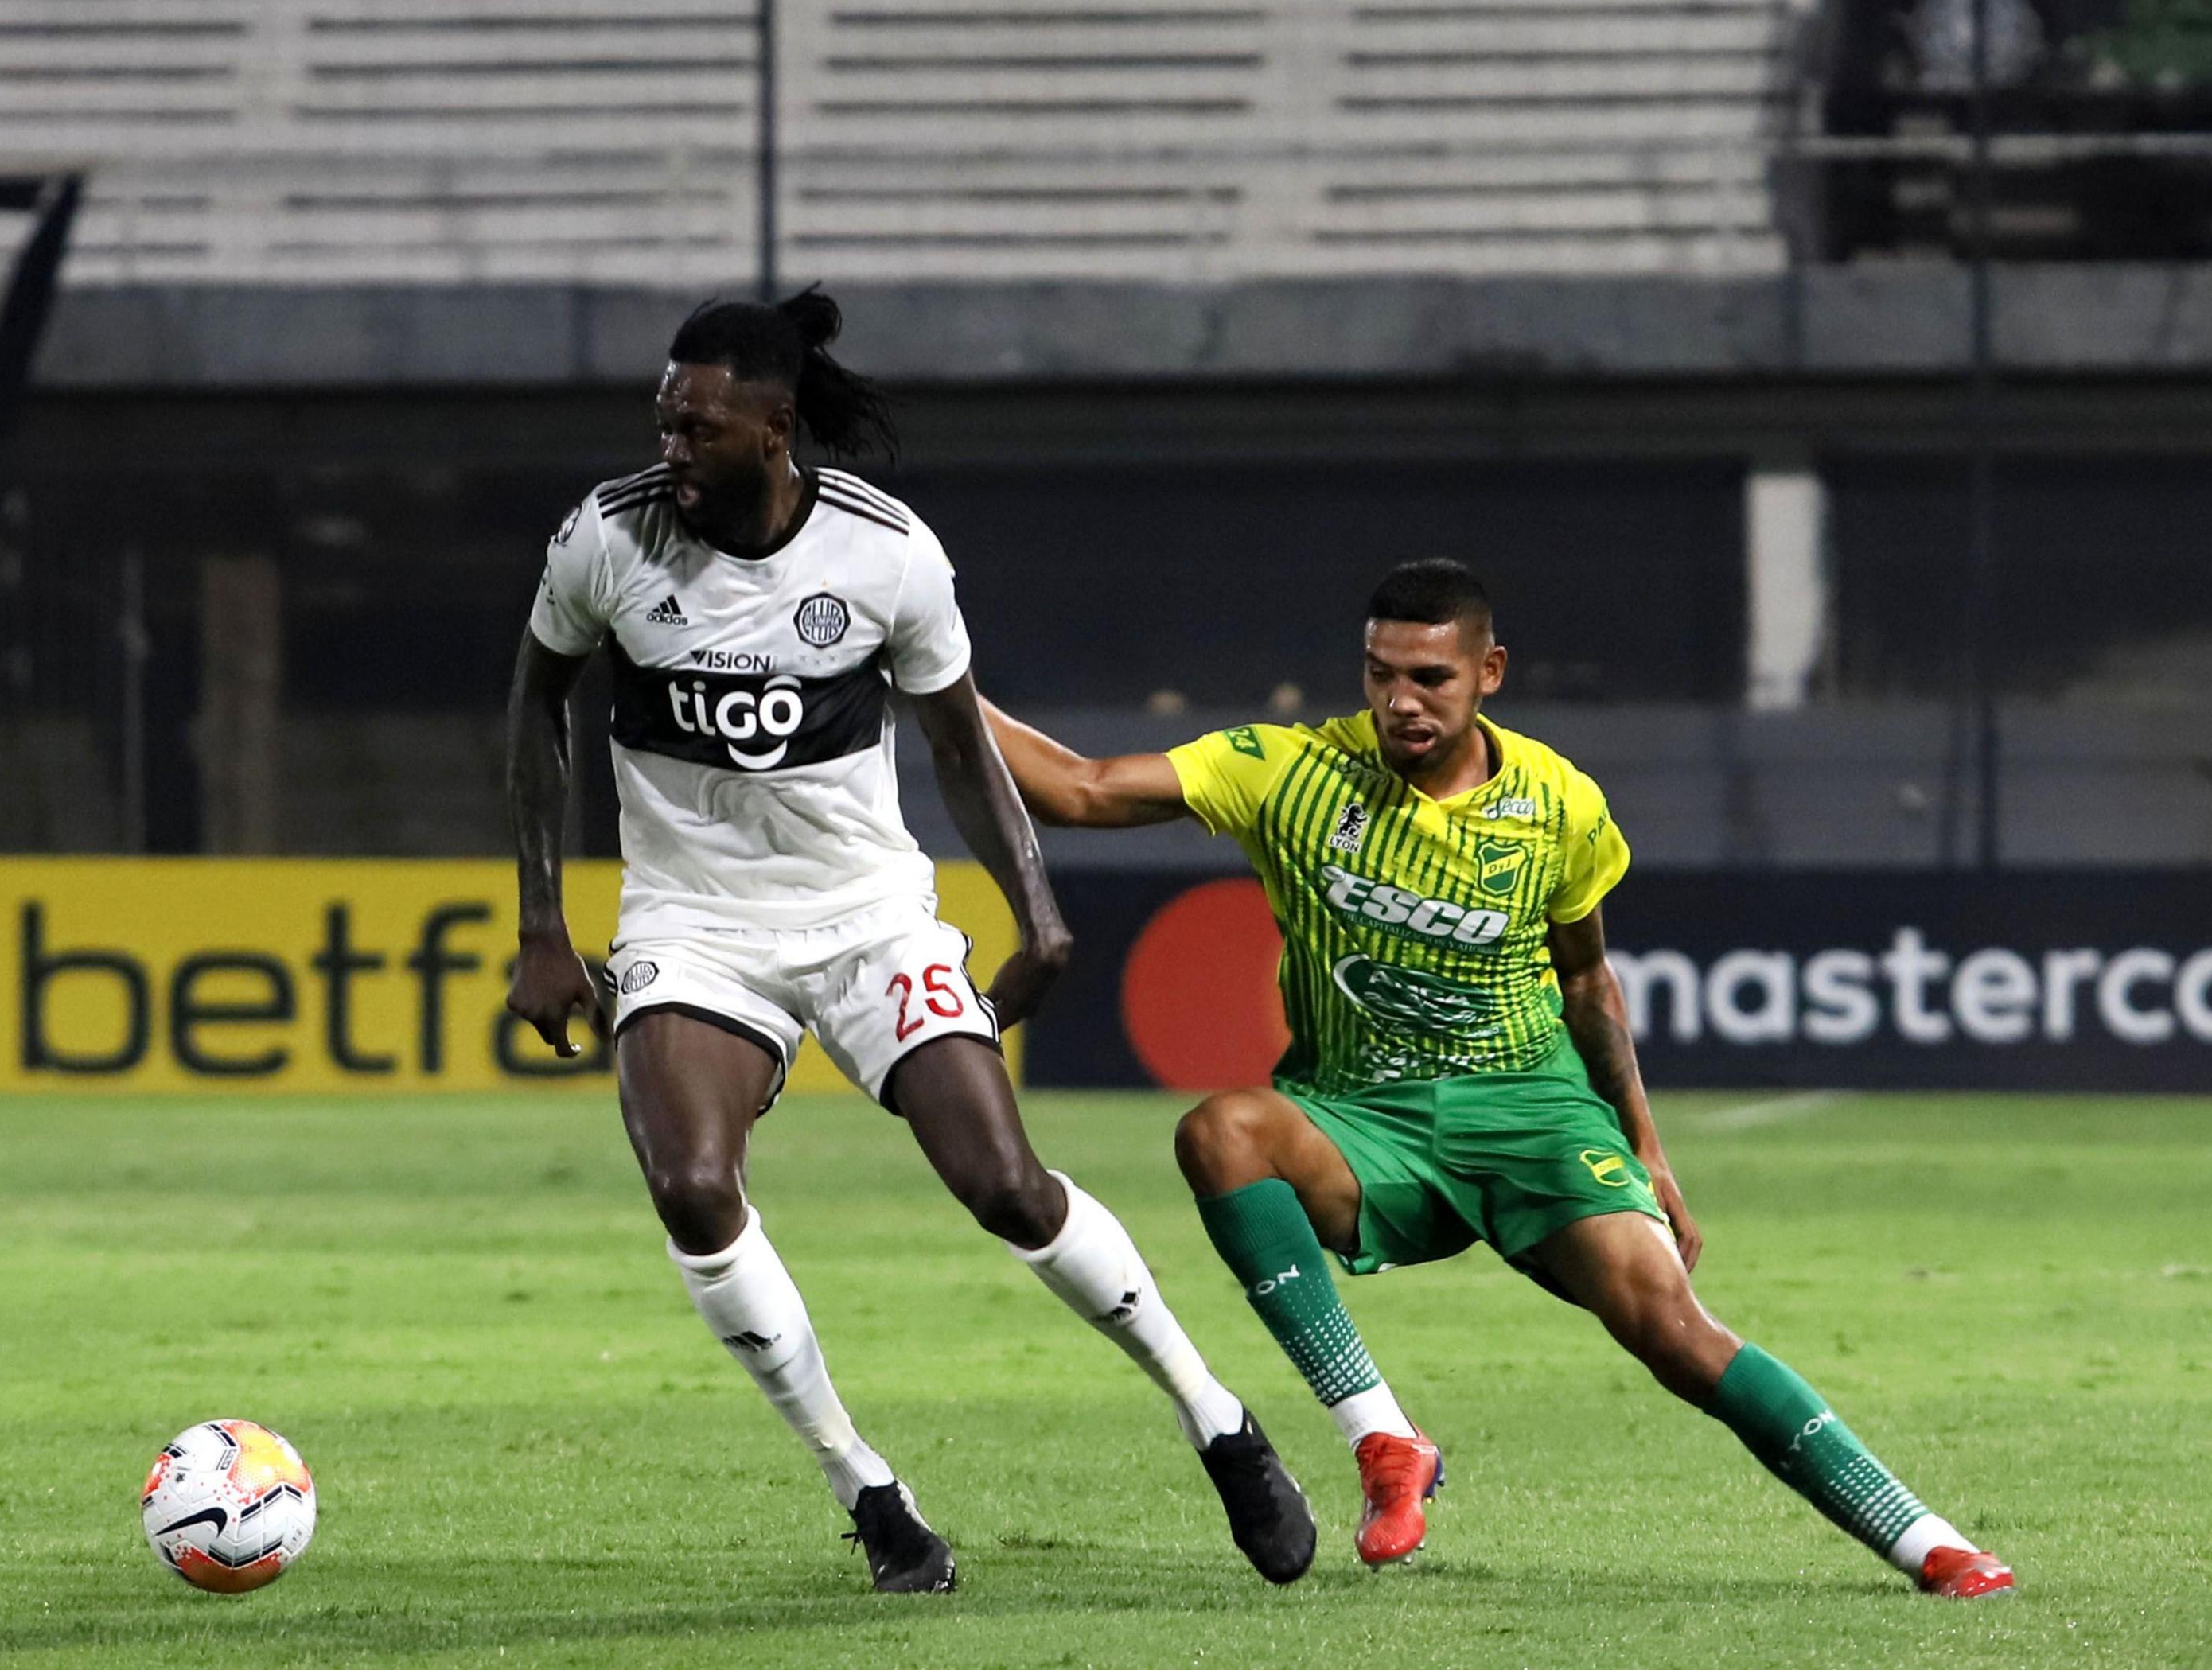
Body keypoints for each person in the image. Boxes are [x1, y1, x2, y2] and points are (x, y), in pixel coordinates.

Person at [980, 558, 2013, 1598]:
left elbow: (1588, 981)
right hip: (1364, 1122)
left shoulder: (1557, 803)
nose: (1400, 700)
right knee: (1221, 1133)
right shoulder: (1289, 771)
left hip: (1532, 1115)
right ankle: (1385, 1440)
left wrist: (1644, 1147)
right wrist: (925, 663)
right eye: (1382, 673)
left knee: (1673, 1330)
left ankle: (1926, 1541)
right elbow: (1078, 788)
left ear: (1490, 672)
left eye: (1431, 676)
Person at [503, 290, 1313, 1594]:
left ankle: (1216, 1418)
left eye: (697, 429)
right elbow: (536, 703)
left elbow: (960, 746)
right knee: (694, 1191)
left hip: (869, 912)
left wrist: (1036, 910)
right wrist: (543, 923)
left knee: (1007, 1187)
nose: (671, 450)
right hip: (692, 922)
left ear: (773, 430)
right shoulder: (607, 538)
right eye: (663, 422)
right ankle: (866, 1490)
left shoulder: (887, 557)